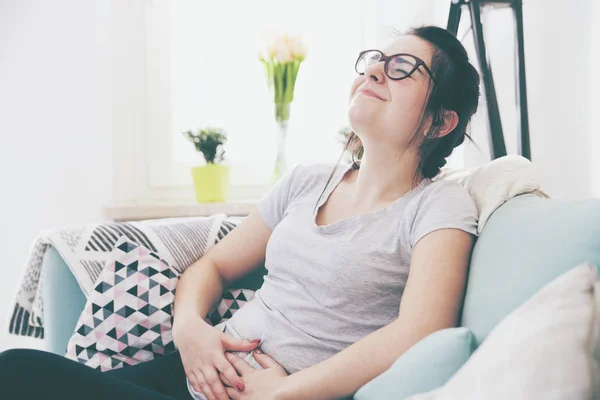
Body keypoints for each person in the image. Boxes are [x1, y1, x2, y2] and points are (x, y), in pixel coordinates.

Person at [0, 25, 480, 400]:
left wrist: (285, 391)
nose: (375, 71)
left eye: (403, 68)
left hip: (278, 396)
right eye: (375, 60)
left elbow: (422, 329)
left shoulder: (439, 205)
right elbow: (213, 265)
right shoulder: (310, 180)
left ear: (440, 121)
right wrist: (190, 330)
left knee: (17, 376)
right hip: (190, 371)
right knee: (15, 369)